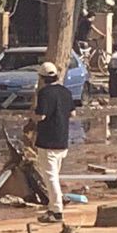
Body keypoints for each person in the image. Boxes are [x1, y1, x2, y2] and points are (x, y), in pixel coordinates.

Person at [29, 60, 76, 222]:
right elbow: (73, 114)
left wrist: (31, 117)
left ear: (41, 78)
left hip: (47, 141)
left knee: (50, 177)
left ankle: (56, 211)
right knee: (54, 175)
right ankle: (53, 207)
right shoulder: (66, 92)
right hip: (62, 140)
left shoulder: (44, 93)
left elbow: (41, 116)